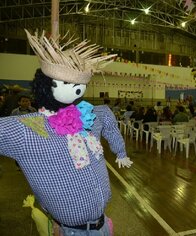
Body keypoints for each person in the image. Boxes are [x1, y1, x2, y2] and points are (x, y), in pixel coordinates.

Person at [0, 29, 132, 236]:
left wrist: (121, 151)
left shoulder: (88, 116)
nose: (75, 90)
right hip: (70, 231)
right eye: (66, 83)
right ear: (44, 86)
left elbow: (107, 117)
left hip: (103, 225)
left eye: (78, 85)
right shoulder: (28, 129)